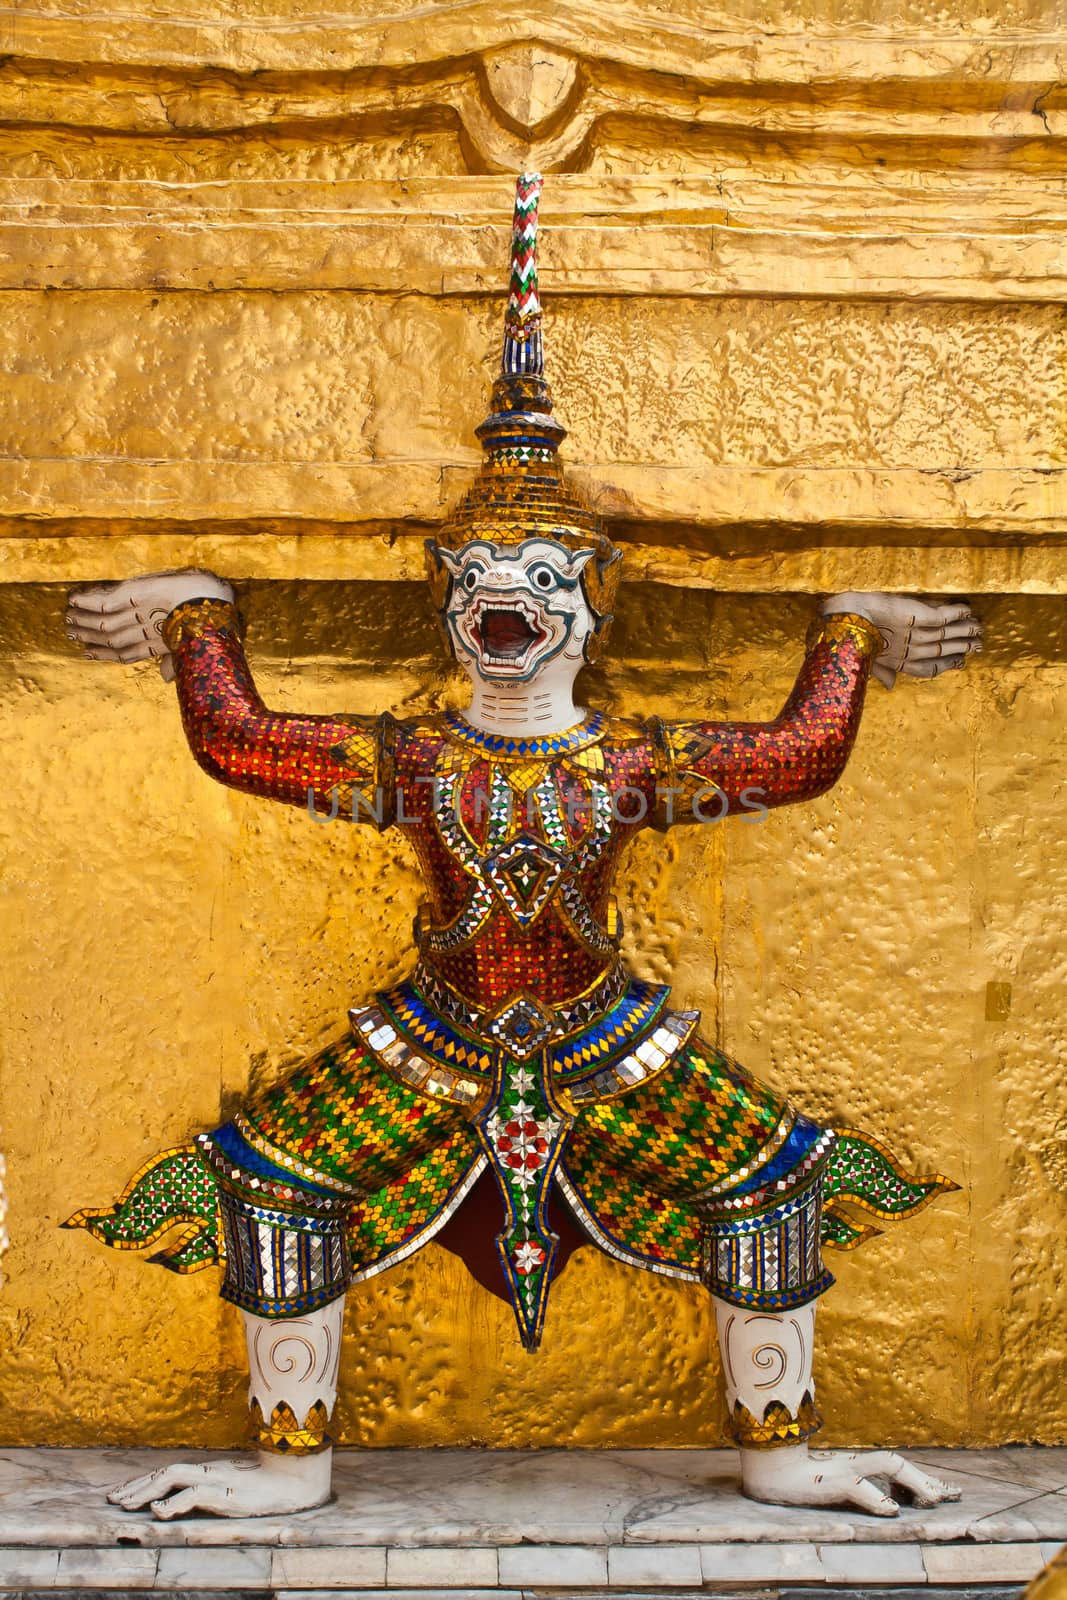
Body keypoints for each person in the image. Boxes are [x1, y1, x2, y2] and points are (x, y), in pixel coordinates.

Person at [64, 174, 979, 1521]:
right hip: (434, 1034)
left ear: (587, 616)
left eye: (548, 582)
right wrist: (198, 617)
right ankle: (286, 1466)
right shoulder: (417, 765)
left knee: (768, 1171)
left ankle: (784, 1456)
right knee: (275, 1175)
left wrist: (848, 632)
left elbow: (798, 758)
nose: (511, 601)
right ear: (450, 611)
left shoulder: (628, 768)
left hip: (609, 1035)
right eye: (483, 584)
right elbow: (241, 743)